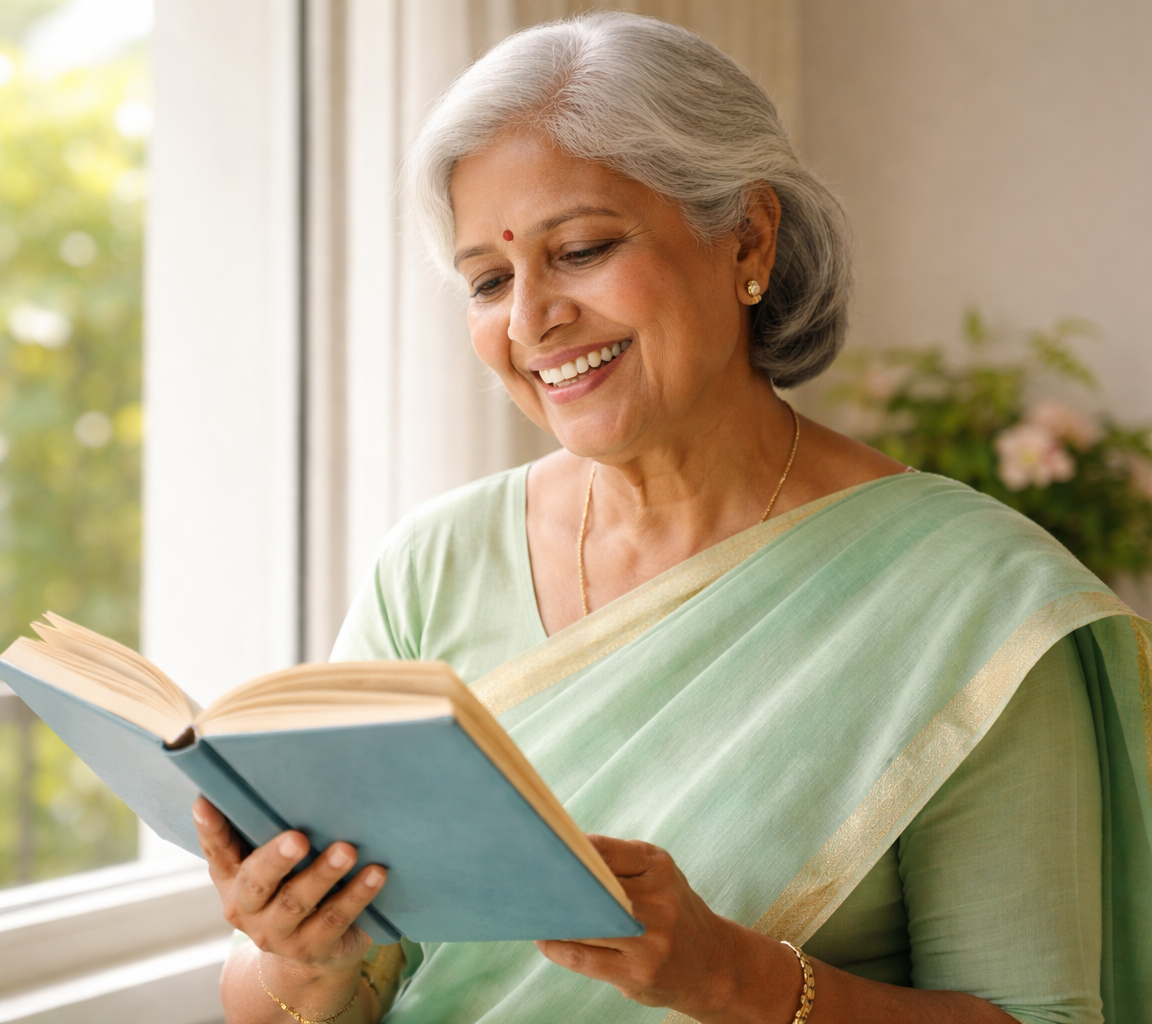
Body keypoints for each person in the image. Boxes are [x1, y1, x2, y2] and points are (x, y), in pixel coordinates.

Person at [195, 12, 1152, 1024]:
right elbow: (298, 1004)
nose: (529, 321)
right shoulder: (433, 564)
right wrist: (303, 960)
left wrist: (733, 978)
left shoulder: (974, 597)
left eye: (581, 249)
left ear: (747, 237)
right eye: (488, 279)